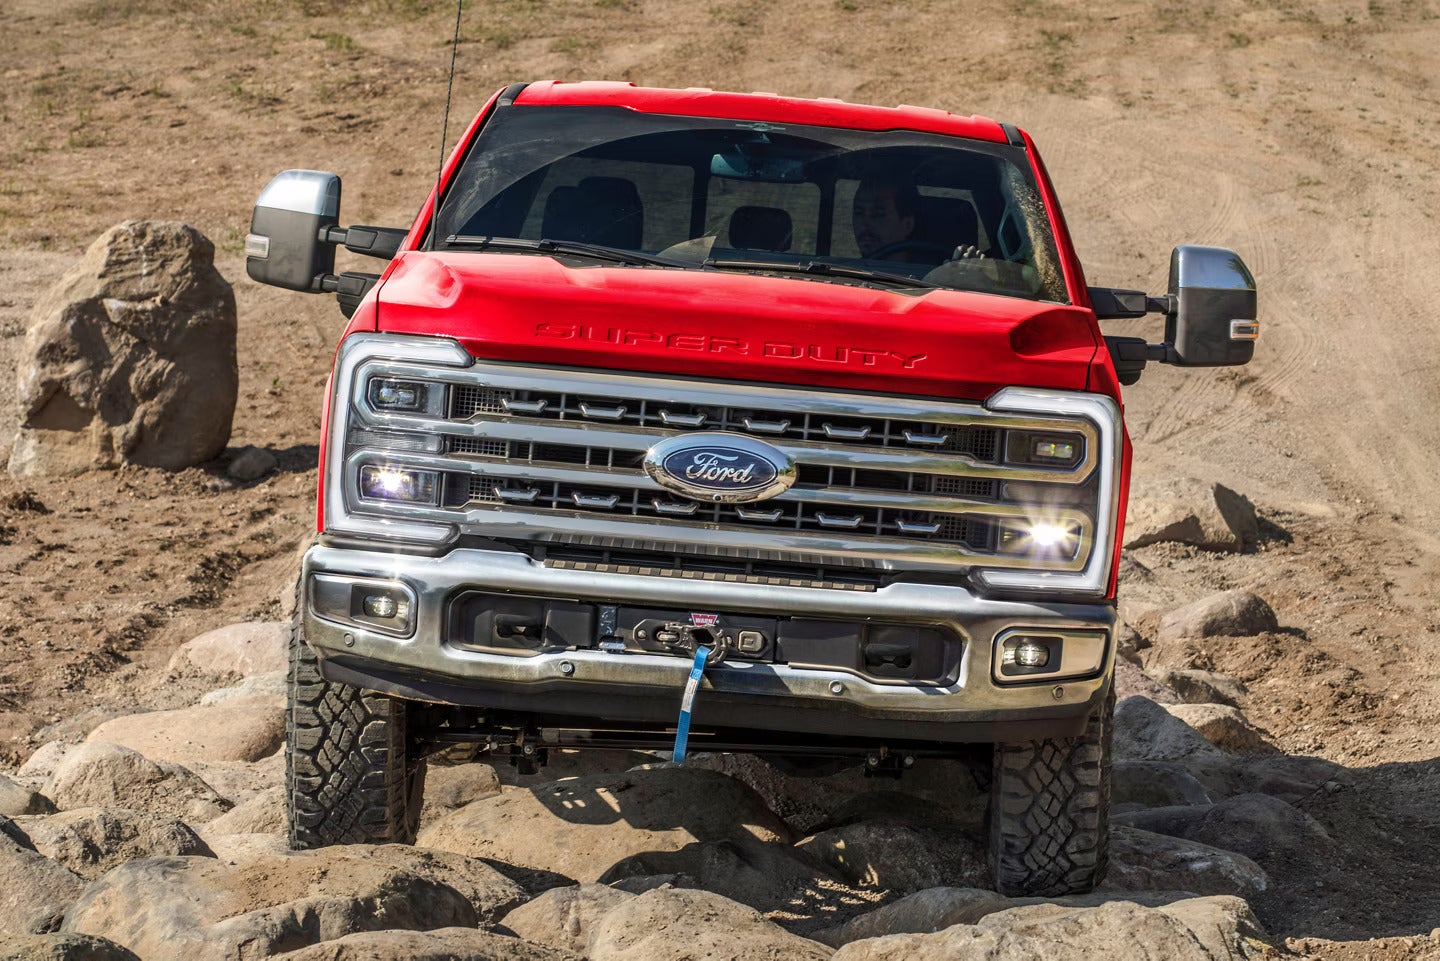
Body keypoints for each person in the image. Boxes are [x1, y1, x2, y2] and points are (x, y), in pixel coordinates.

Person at [851, 176, 986, 264]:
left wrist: (970, 273)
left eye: (878, 214)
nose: (865, 223)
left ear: (907, 225)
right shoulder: (840, 273)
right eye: (858, 213)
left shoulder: (936, 277)